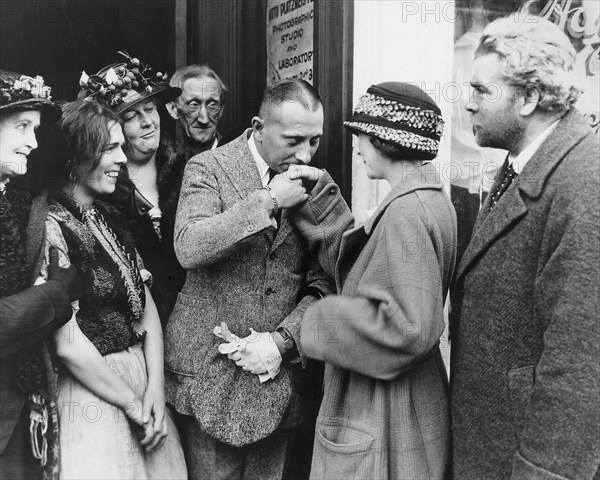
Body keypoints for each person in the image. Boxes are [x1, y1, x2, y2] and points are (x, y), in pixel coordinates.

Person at [264, 82, 456, 479]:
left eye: (362, 137)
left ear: (385, 142)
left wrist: (316, 321)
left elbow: (409, 327)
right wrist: (321, 199)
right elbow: (367, 274)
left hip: (385, 406)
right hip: (411, 400)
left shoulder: (405, 212)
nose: (357, 147)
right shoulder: (431, 197)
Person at [450, 15, 600, 479]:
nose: (468, 105)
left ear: (531, 97)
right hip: (491, 449)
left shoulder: (582, 183)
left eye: (481, 91)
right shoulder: (524, 166)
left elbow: (579, 364)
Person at [164, 78, 335, 480]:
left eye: (314, 141)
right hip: (206, 371)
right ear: (259, 127)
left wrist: (283, 340)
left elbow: (325, 281)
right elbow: (189, 246)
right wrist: (270, 200)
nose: (305, 154)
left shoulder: (319, 185)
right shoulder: (208, 167)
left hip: (275, 375)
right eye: (293, 139)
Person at [39, 100, 187, 479]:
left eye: (121, 146)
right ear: (76, 156)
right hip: (93, 394)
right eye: (109, 148)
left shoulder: (110, 216)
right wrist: (132, 404)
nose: (123, 158)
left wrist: (155, 391)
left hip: (141, 380)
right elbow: (67, 342)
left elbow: (146, 307)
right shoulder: (51, 226)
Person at [0, 70, 81, 479]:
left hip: (22, 403)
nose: (32, 142)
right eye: (22, 127)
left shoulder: (15, 202)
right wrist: (55, 296)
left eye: (36, 129)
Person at [79, 52, 186, 326]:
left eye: (150, 109)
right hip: (135, 327)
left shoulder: (190, 168)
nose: (148, 121)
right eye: (131, 116)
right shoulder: (101, 190)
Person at [166, 64, 227, 158]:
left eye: (212, 105)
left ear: (221, 109)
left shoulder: (238, 158)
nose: (204, 120)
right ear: (173, 109)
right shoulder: (163, 161)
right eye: (194, 105)